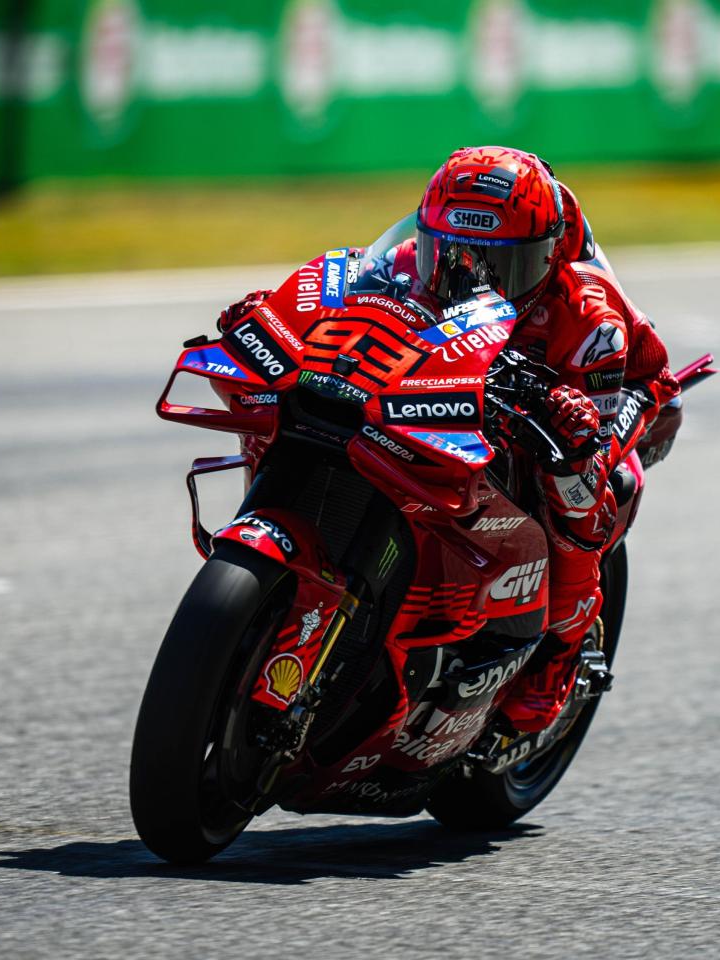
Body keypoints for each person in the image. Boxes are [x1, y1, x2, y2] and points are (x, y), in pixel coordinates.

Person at [216, 146, 680, 735]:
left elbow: (602, 421)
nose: (469, 275)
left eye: (499, 265)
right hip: (456, 384)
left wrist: (573, 421)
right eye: (451, 255)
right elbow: (344, 300)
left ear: (545, 260)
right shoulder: (412, 260)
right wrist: (277, 318)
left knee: (579, 497)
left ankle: (557, 660)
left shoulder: (588, 321)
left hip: (615, 393)